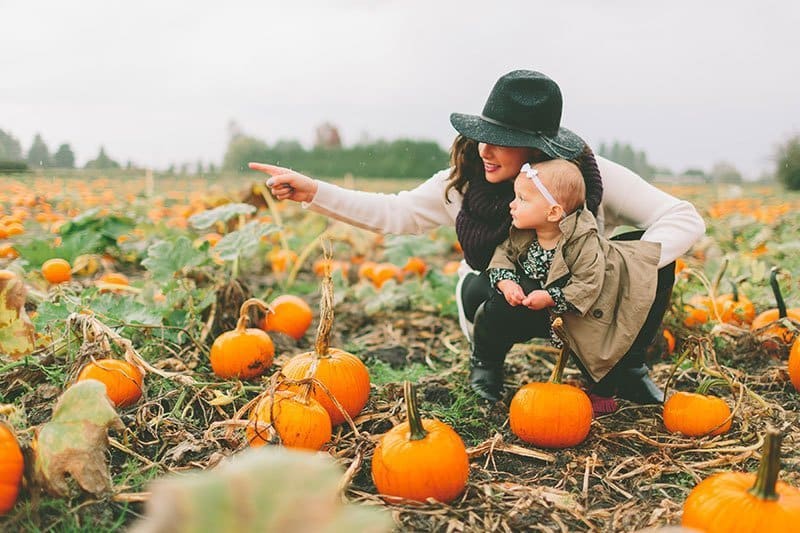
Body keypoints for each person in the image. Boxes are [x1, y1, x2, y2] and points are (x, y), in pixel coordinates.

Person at [249, 70, 705, 409]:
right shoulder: (465, 185)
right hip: (503, 298)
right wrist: (315, 191)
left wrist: (610, 266)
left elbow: (682, 218)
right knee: (483, 287)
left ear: (538, 146)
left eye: (501, 140)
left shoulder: (585, 176)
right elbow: (397, 212)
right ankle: (487, 364)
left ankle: (627, 369)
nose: (484, 149)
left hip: (579, 300)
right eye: (484, 135)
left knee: (649, 256)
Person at [485, 159, 662, 413]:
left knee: (598, 348)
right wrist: (505, 280)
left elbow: (589, 283)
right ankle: (485, 363)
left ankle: (603, 388)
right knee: (492, 314)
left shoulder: (583, 242)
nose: (512, 205)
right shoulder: (524, 232)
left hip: (583, 310)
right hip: (544, 311)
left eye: (521, 199)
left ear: (553, 213)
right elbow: (503, 254)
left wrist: (551, 296)